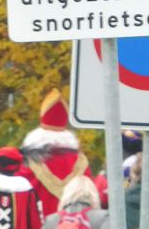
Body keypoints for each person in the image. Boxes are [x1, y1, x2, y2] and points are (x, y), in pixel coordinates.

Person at [18, 88, 103, 217]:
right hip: (72, 225)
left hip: (37, 225)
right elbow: (89, 193)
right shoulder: (80, 160)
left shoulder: (30, 159)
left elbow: (22, 193)